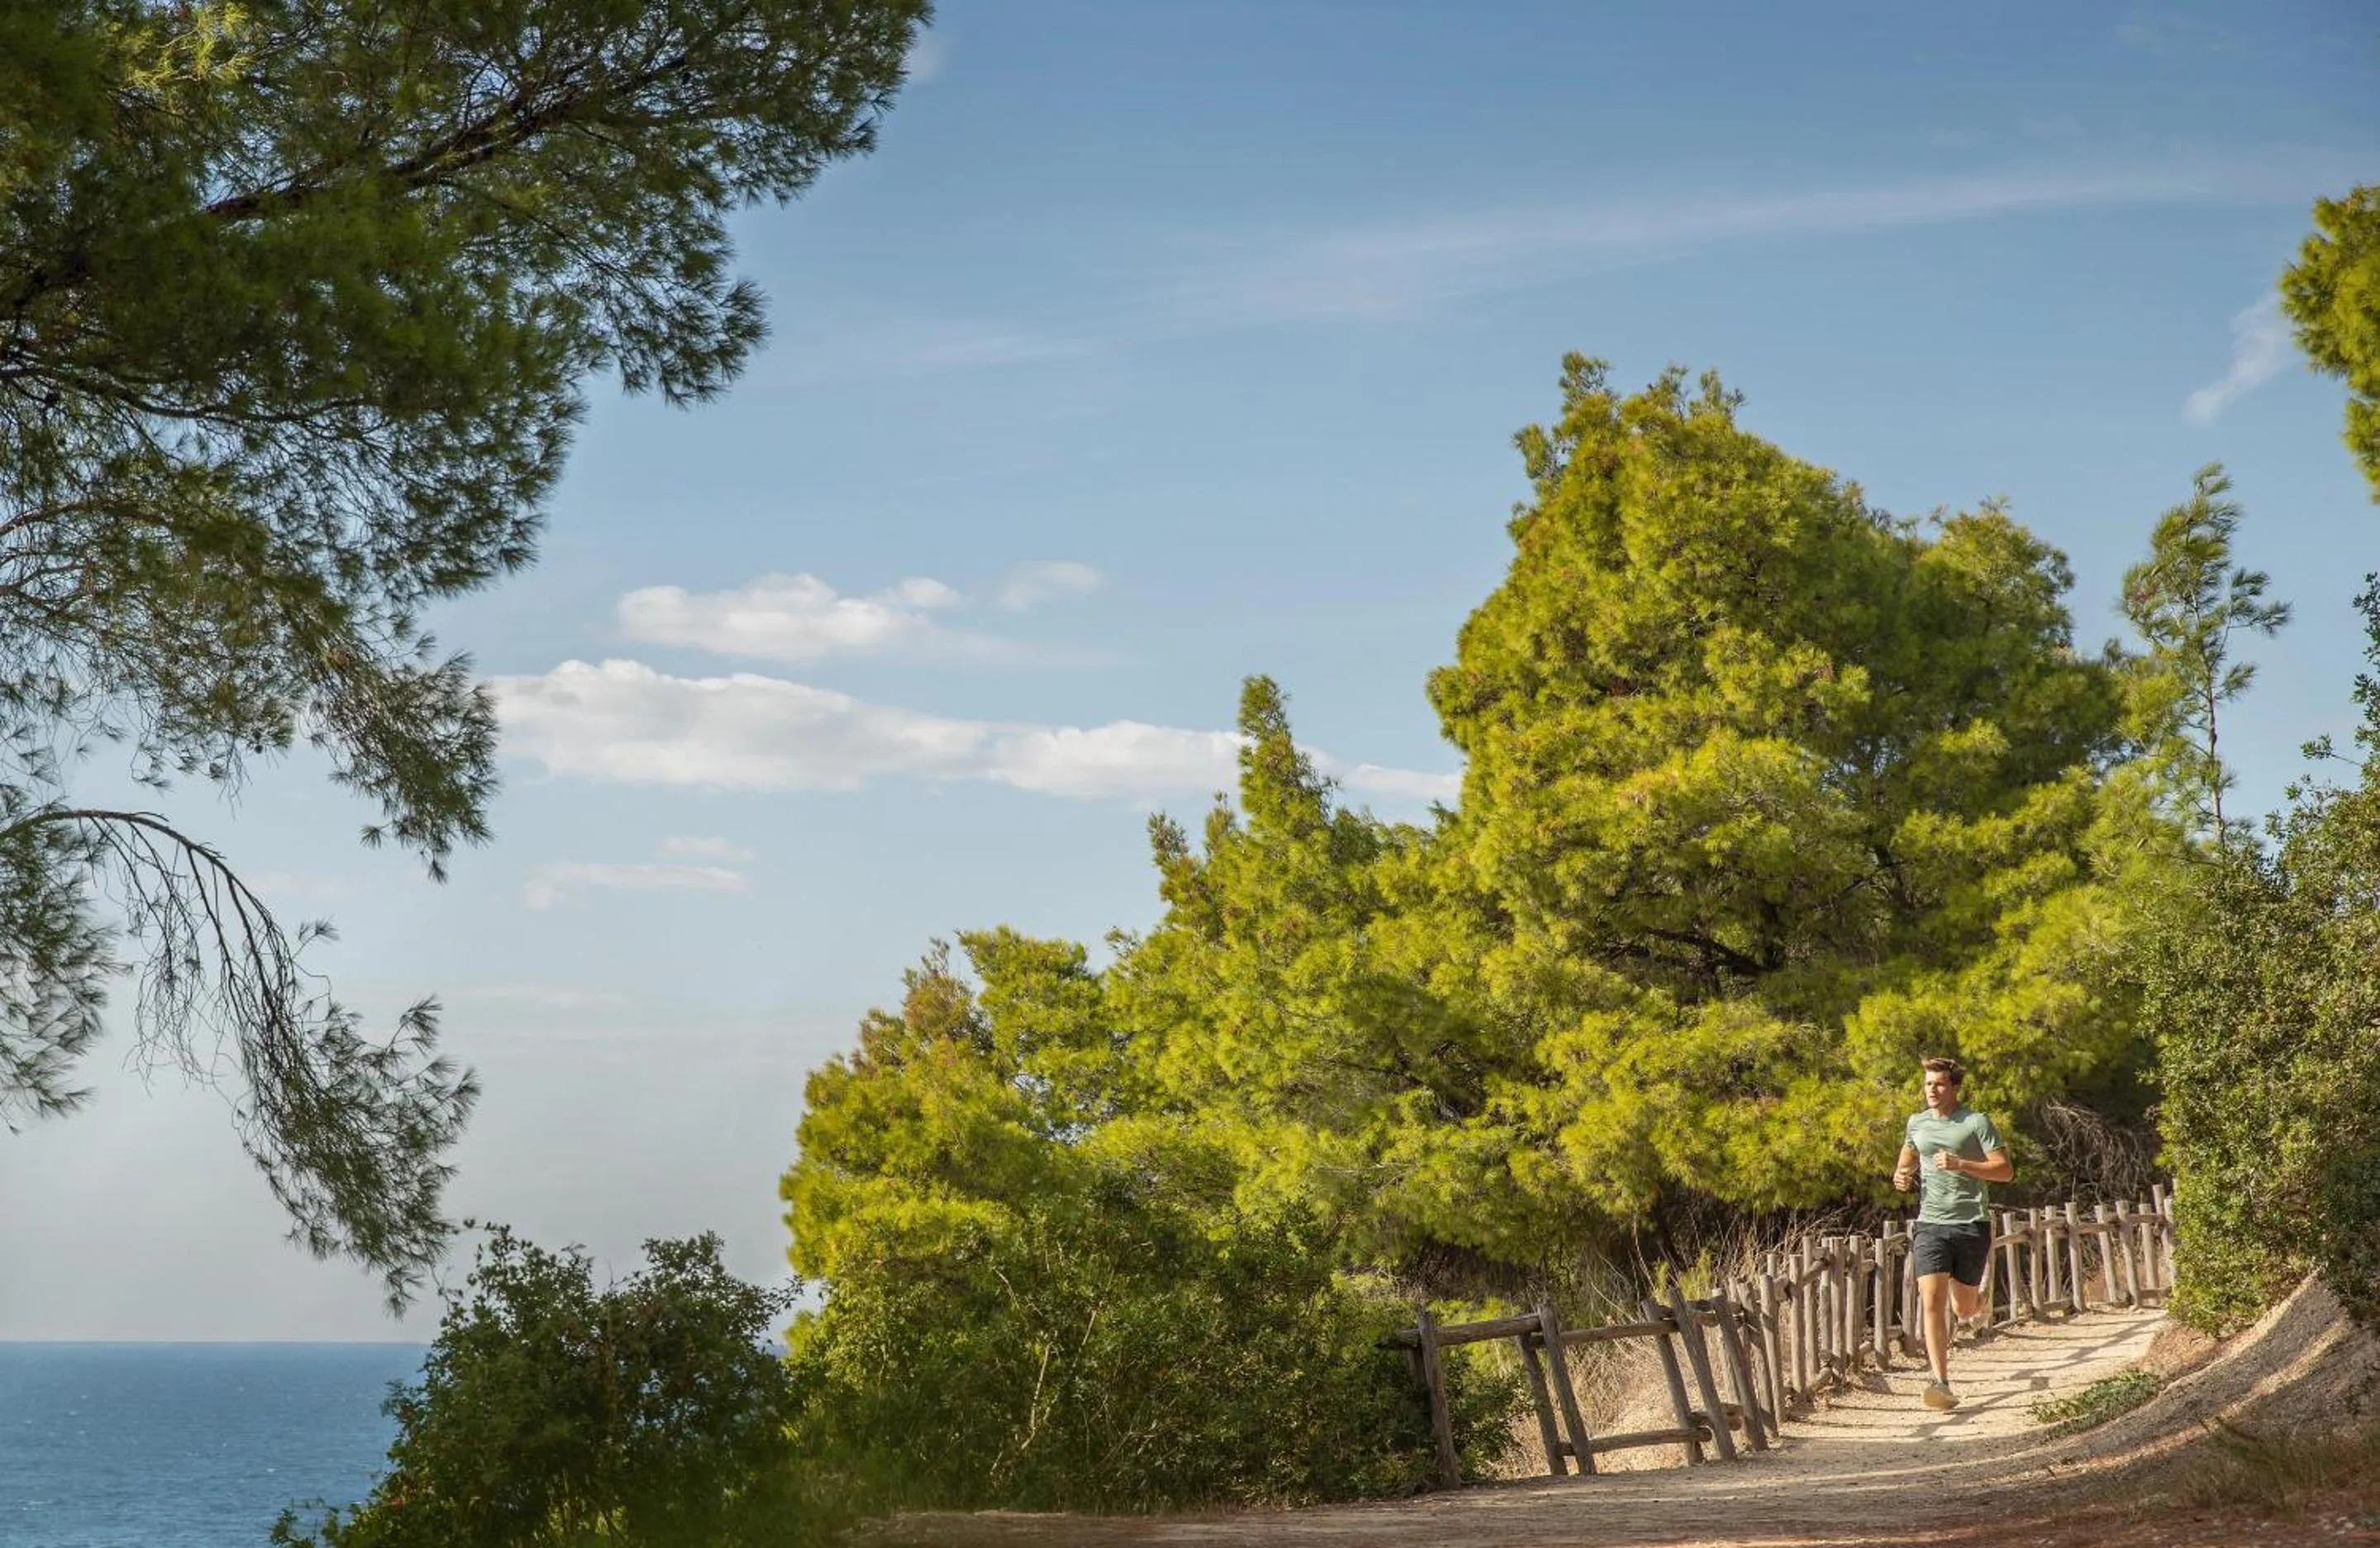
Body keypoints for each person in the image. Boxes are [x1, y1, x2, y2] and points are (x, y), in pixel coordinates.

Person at [1891, 1055, 2012, 1410]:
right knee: (1931, 1300)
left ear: (1954, 1087)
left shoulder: (1976, 1123)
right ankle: (1940, 1382)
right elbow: (1906, 1161)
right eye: (1928, 1083)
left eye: (1939, 1083)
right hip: (1930, 1223)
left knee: (1963, 1309)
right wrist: (1900, 1176)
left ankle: (1980, 1301)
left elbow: (2004, 1171)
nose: (1932, 1089)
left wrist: (1961, 1164)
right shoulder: (1917, 1123)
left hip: (1971, 1222)